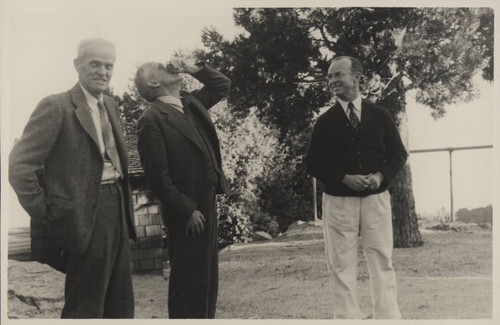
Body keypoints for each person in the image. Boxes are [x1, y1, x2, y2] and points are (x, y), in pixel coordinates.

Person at [9, 38, 136, 318]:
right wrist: (50, 212)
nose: (102, 71)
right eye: (94, 64)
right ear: (77, 65)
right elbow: (19, 165)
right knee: (86, 304)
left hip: (118, 206)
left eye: (108, 65)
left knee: (121, 302)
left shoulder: (112, 106)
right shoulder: (57, 106)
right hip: (83, 216)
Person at [305, 56, 407, 319]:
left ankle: (388, 319)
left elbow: (398, 154)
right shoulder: (325, 122)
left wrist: (381, 176)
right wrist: (343, 178)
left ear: (357, 77)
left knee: (382, 261)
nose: (332, 81)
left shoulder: (380, 115)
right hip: (339, 203)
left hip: (376, 200)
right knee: (340, 266)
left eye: (338, 74)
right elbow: (313, 163)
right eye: (329, 77)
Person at [134, 57, 230, 318]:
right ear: (153, 81)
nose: (170, 67)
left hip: (208, 201)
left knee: (207, 281)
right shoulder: (151, 118)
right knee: (188, 284)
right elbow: (158, 178)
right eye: (162, 68)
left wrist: (192, 68)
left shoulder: (191, 103)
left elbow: (222, 85)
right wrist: (186, 210)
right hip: (188, 213)